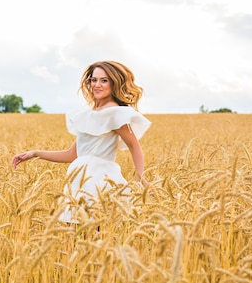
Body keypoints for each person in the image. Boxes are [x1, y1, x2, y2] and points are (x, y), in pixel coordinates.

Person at [12, 60, 151, 222]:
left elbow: (135, 146)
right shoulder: (88, 114)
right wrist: (35, 153)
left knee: (97, 231)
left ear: (114, 83)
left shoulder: (115, 113)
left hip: (100, 179)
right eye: (94, 80)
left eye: (104, 80)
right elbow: (72, 155)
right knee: (72, 236)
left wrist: (140, 176)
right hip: (78, 179)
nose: (97, 84)